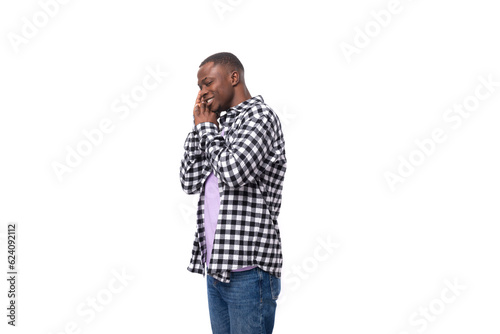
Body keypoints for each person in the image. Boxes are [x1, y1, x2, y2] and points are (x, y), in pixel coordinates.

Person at [179, 52, 287, 334]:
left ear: (234, 77)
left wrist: (206, 129)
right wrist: (199, 129)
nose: (202, 93)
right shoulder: (218, 125)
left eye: (207, 83)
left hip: (249, 273)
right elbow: (189, 181)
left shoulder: (260, 118)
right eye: (200, 87)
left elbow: (233, 172)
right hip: (216, 267)